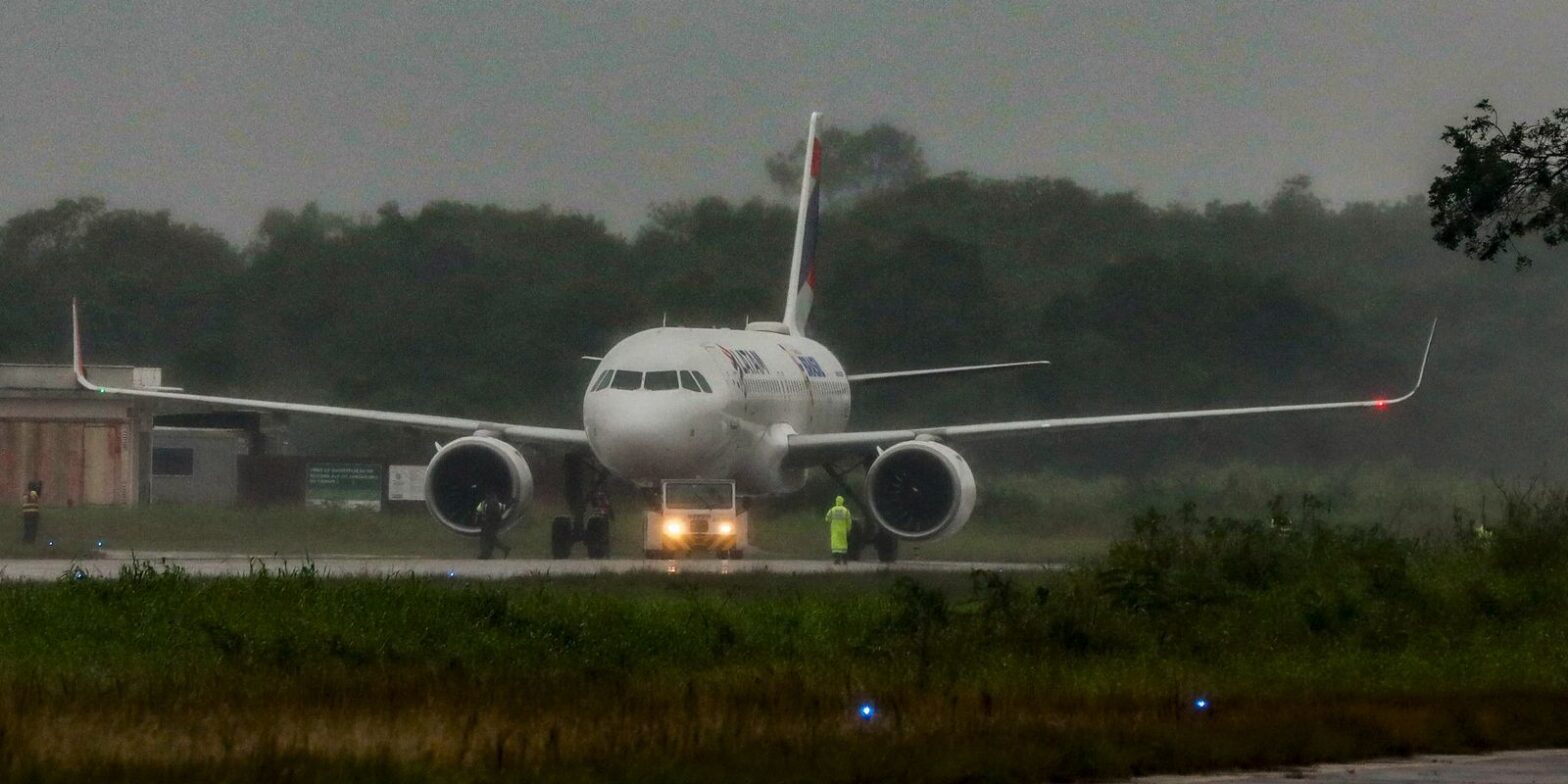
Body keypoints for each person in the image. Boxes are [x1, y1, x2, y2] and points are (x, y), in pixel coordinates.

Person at [475, 491, 510, 560]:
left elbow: (478, 512)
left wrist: (477, 521)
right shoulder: (497, 504)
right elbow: (504, 507)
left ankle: (485, 554)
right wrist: (512, 502)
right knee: (491, 538)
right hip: (495, 524)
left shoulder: (483, 503)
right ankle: (491, 553)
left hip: (486, 523)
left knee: (484, 539)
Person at [826, 495, 852, 565]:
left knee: (835, 546)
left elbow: (827, 519)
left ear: (836, 501)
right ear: (842, 501)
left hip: (834, 530)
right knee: (843, 545)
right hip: (843, 531)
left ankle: (836, 560)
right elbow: (849, 521)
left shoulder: (832, 510)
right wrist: (849, 529)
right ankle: (844, 560)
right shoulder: (846, 510)